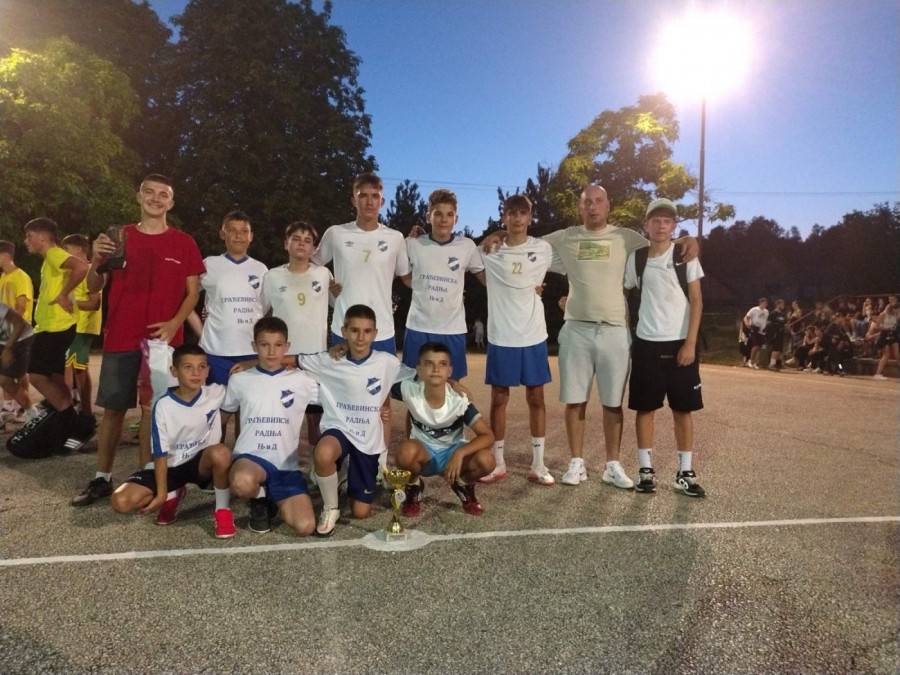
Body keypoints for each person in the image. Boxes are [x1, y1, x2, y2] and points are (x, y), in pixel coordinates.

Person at [72, 174, 205, 507]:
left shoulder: (184, 242)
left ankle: (147, 477)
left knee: (152, 410)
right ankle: (102, 477)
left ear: (171, 202)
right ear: (139, 196)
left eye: (163, 194)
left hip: (162, 342)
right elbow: (93, 286)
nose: (156, 199)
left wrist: (174, 323)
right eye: (150, 192)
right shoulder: (118, 237)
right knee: (114, 409)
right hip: (121, 335)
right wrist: (96, 259)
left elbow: (192, 294)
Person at [312, 172, 410, 465]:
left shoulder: (395, 238)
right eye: (362, 195)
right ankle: (341, 463)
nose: (369, 201)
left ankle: (379, 465)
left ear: (382, 200)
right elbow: (312, 265)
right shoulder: (336, 233)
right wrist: (329, 284)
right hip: (344, 328)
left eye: (374, 196)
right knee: (342, 399)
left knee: (381, 403)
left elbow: (407, 277)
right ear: (353, 199)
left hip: (382, 331)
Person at [301, 304, 416, 537]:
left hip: (367, 440)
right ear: (344, 331)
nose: (360, 337)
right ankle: (330, 508)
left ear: (375, 333)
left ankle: (345, 475)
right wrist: (249, 365)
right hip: (339, 429)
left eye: (367, 331)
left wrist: (454, 384)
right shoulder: (329, 360)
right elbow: (288, 360)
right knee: (323, 453)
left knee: (360, 512)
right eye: (354, 331)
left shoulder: (387, 362)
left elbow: (422, 374)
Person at [109, 344, 235, 537]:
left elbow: (251, 379)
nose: (196, 373)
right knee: (120, 501)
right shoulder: (163, 405)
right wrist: (161, 494)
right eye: (188, 367)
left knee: (221, 452)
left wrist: (248, 364)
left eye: (201, 367)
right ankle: (173, 492)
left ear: (208, 370)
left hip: (200, 465)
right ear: (174, 371)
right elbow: (160, 454)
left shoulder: (216, 393)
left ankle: (223, 511)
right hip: (169, 467)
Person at [624, 199, 705, 497]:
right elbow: (622, 293)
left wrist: (690, 343)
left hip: (680, 343)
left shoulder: (685, 256)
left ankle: (685, 473)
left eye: (667, 221)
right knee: (645, 409)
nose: (661, 226)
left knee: (683, 410)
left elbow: (696, 300)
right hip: (646, 343)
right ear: (646, 224)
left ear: (673, 226)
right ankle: (646, 470)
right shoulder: (636, 259)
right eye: (655, 220)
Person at [479, 194, 554, 486]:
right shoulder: (489, 249)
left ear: (530, 217)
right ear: (504, 217)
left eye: (522, 213)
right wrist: (496, 234)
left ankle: (538, 463)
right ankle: (498, 462)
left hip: (533, 334)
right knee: (499, 399)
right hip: (502, 336)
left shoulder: (543, 248)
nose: (517, 218)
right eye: (511, 213)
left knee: (536, 398)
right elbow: (463, 259)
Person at [224, 316, 319, 535]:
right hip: (251, 458)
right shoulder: (239, 379)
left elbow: (336, 396)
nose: (271, 351)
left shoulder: (303, 380)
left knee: (305, 527)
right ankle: (259, 499)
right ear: (254, 346)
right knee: (241, 482)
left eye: (278, 345)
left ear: (287, 347)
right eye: (264, 345)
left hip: (286, 465)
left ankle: (272, 497)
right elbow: (221, 418)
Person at [394, 342, 495, 517]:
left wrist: (460, 453)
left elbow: (488, 436)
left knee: (487, 460)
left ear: (449, 371)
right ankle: (413, 486)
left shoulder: (459, 400)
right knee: (405, 452)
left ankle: (463, 484)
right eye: (429, 364)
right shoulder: (408, 390)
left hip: (452, 454)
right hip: (424, 455)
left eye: (442, 364)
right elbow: (376, 383)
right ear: (419, 370)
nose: (435, 369)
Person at [262, 221, 334, 449]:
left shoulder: (323, 274)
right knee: (283, 419)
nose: (302, 244)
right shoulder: (272, 276)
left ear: (313, 248)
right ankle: (282, 462)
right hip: (283, 360)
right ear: (286, 244)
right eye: (296, 239)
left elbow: (339, 303)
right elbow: (259, 313)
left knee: (315, 421)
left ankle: (317, 464)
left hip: (315, 359)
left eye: (307, 240)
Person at [23, 217, 92, 450]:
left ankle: (73, 424)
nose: (26, 241)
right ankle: (72, 421)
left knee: (36, 376)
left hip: (55, 326)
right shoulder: (49, 259)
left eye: (29, 236)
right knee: (54, 377)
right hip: (55, 326)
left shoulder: (54, 253)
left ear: (43, 237)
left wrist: (64, 295)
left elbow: (82, 267)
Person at [401, 189, 484, 381]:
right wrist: (421, 286)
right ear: (428, 216)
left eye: (449, 214)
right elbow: (404, 276)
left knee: (452, 387)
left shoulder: (467, 246)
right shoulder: (412, 244)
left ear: (456, 219)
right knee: (413, 387)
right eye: (438, 214)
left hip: (452, 329)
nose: (444, 219)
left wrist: (525, 286)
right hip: (418, 327)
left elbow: (485, 279)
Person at [197, 211, 268, 388]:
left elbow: (264, 307)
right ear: (223, 234)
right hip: (216, 351)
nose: (238, 235)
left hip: (252, 350)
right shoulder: (208, 264)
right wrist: (200, 328)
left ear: (251, 236)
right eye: (232, 230)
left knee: (249, 402)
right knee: (218, 403)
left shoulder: (261, 269)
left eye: (244, 231)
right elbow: (188, 297)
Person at [61, 235, 102, 421]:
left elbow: (94, 303)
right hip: (72, 325)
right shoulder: (73, 271)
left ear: (79, 250)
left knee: (72, 369)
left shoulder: (89, 271)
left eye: (66, 249)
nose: (64, 254)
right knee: (78, 369)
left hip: (83, 326)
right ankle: (81, 411)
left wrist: (68, 302)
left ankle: (77, 413)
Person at [0, 240, 34, 420]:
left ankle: (24, 409)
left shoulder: (20, 276)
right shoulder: (3, 277)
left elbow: (21, 306)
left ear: (5, 255)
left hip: (19, 332)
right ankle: (10, 407)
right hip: (5, 332)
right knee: (8, 371)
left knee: (18, 373)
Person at [0, 303, 35, 420]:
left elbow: (20, 323)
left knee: (5, 381)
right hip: (3, 340)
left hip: (21, 338)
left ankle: (32, 414)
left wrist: (8, 349)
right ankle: (13, 409)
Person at [873, 295, 899, 380]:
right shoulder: (883, 315)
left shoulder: (895, 315)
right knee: (886, 355)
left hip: (893, 334)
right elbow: (876, 327)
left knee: (897, 354)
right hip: (885, 335)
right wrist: (885, 328)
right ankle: (878, 373)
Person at [743, 298, 769, 369]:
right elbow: (746, 317)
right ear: (760, 303)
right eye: (764, 303)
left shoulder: (766, 311)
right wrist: (747, 324)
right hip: (755, 330)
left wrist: (766, 327)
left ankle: (755, 361)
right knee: (756, 345)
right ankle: (750, 360)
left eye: (766, 303)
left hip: (762, 331)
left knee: (759, 347)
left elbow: (766, 320)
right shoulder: (754, 309)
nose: (765, 305)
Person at [765, 299, 787, 371]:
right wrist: (773, 329)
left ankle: (776, 364)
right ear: (778, 305)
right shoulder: (773, 314)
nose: (783, 306)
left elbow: (785, 324)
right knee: (776, 349)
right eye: (782, 304)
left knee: (779, 350)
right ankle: (771, 364)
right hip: (775, 333)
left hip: (781, 333)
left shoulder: (783, 314)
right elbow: (768, 323)